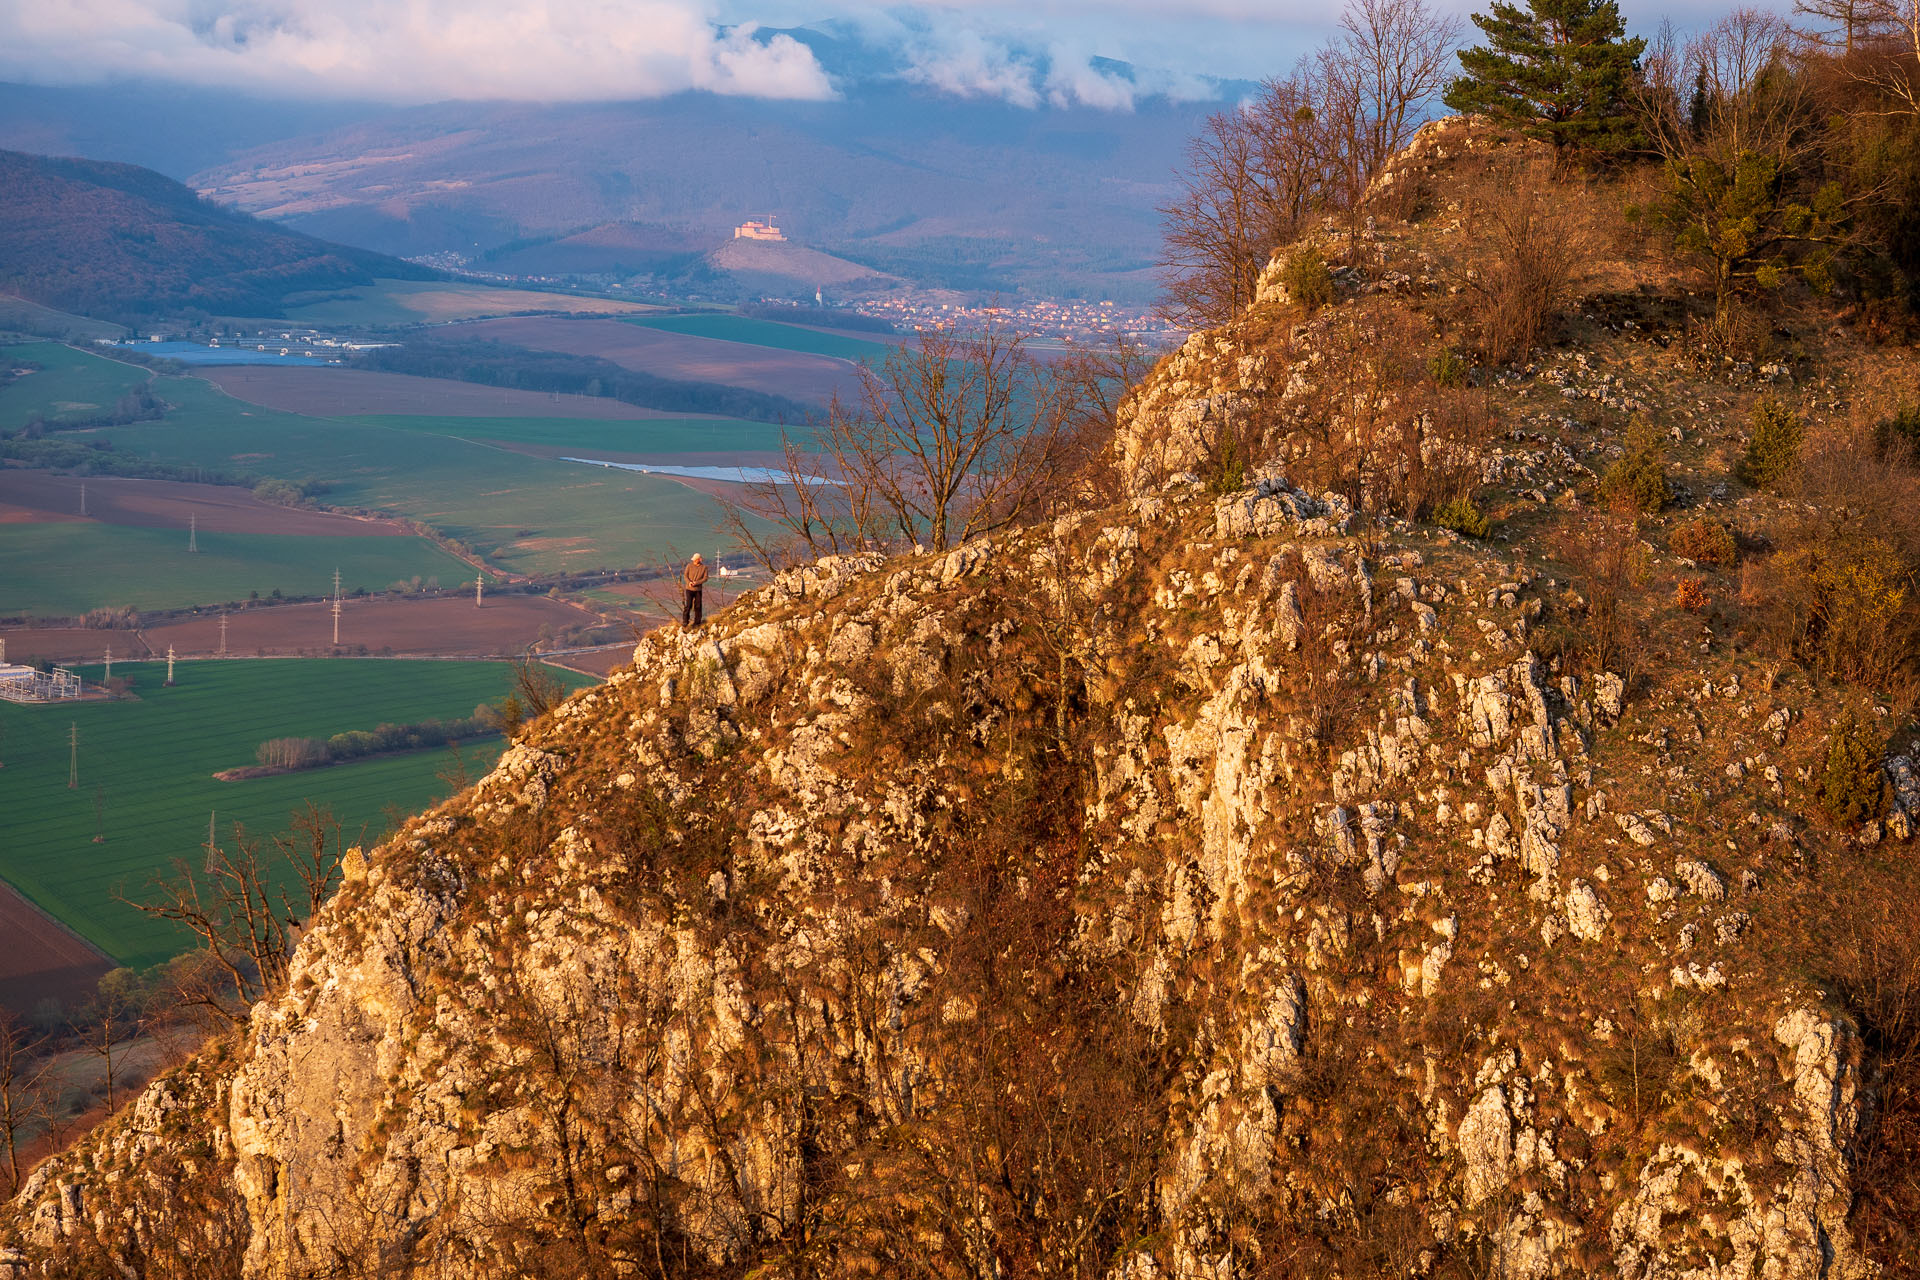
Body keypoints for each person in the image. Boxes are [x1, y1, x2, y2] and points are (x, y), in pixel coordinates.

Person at [681, 553, 710, 628]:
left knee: (698, 606)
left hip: (698, 590)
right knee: (688, 605)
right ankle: (685, 621)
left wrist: (696, 583)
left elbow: (705, 578)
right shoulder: (689, 566)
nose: (694, 561)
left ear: (699, 559)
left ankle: (697, 622)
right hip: (689, 589)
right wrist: (689, 582)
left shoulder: (704, 568)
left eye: (695, 560)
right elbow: (685, 575)